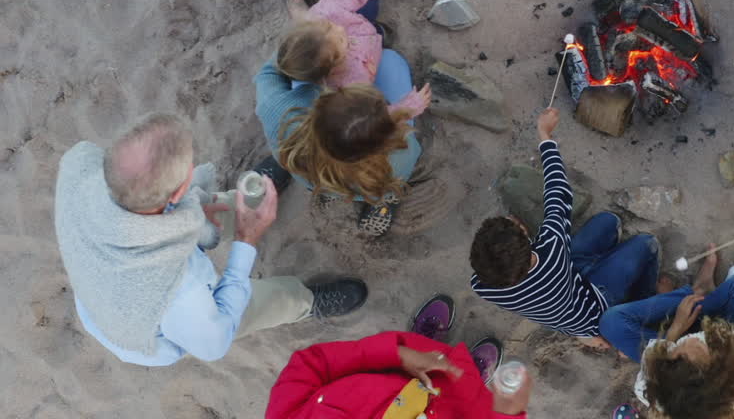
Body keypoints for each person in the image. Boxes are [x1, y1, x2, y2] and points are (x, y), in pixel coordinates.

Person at [54, 113, 367, 366]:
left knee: (205, 209)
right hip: (147, 322)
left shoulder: (79, 165)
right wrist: (246, 241)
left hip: (106, 261)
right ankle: (302, 302)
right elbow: (214, 342)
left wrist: (197, 210)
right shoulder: (180, 293)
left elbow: (175, 204)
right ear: (177, 193)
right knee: (252, 304)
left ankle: (252, 197)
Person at [470, 108, 662, 345]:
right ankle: (642, 308)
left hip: (567, 289)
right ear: (528, 246)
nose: (514, 220)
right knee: (647, 244)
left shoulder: (483, 285)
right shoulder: (552, 251)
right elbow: (558, 191)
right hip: (593, 311)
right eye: (515, 225)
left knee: (608, 222)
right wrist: (544, 134)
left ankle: (603, 266)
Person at [620, 223, 734, 419]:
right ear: (721, 367)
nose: (689, 340)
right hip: (732, 328)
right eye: (702, 348)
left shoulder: (649, 387)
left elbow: (657, 358)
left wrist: (676, 329)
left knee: (611, 323)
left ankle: (701, 289)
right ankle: (705, 291)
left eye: (675, 354)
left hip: (690, 327)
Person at [266, 294, 531, 419]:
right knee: (468, 386)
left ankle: (427, 344)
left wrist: (396, 354)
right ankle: (471, 376)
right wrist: (505, 412)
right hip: (458, 409)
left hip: (396, 367)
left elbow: (311, 365)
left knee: (430, 354)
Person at [255, 61, 430, 235]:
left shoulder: (281, 113)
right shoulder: (401, 154)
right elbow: (406, 153)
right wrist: (403, 112)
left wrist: (306, 47)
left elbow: (267, 73)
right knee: (392, 61)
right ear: (385, 138)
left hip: (306, 166)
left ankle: (285, 164)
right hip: (367, 184)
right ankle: (384, 199)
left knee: (287, 150)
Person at [282, 0, 428, 102]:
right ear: (334, 68)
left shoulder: (324, 15)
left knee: (368, 2)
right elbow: (365, 114)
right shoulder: (346, 87)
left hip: (359, 29)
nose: (340, 29)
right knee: (377, 31)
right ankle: (299, 10)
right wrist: (404, 109)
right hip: (366, 42)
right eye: (340, 39)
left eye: (329, 26)